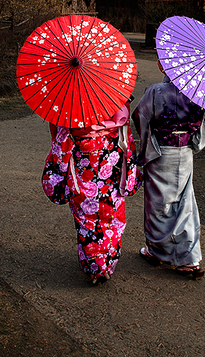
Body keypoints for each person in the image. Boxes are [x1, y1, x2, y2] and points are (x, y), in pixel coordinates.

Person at [42, 100, 142, 285]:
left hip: (84, 170)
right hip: (111, 167)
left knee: (86, 219)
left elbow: (61, 140)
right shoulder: (115, 97)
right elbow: (126, 138)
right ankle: (108, 262)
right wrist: (130, 171)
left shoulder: (69, 102)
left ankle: (95, 266)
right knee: (112, 215)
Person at [132, 61, 205, 279]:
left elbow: (140, 116)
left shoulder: (156, 91)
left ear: (162, 66)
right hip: (185, 153)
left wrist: (149, 141)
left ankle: (156, 251)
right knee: (185, 203)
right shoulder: (199, 93)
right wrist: (192, 140)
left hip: (160, 152)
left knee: (158, 204)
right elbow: (203, 123)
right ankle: (189, 258)